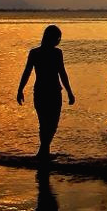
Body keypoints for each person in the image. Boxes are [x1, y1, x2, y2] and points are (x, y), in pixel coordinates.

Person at [17, 24, 76, 159]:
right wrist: (20, 90)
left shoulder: (55, 53)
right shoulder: (37, 53)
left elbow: (62, 73)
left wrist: (69, 92)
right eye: (58, 38)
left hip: (51, 91)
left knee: (50, 124)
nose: (58, 41)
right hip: (45, 92)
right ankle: (44, 152)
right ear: (51, 38)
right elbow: (27, 72)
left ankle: (43, 151)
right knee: (46, 124)